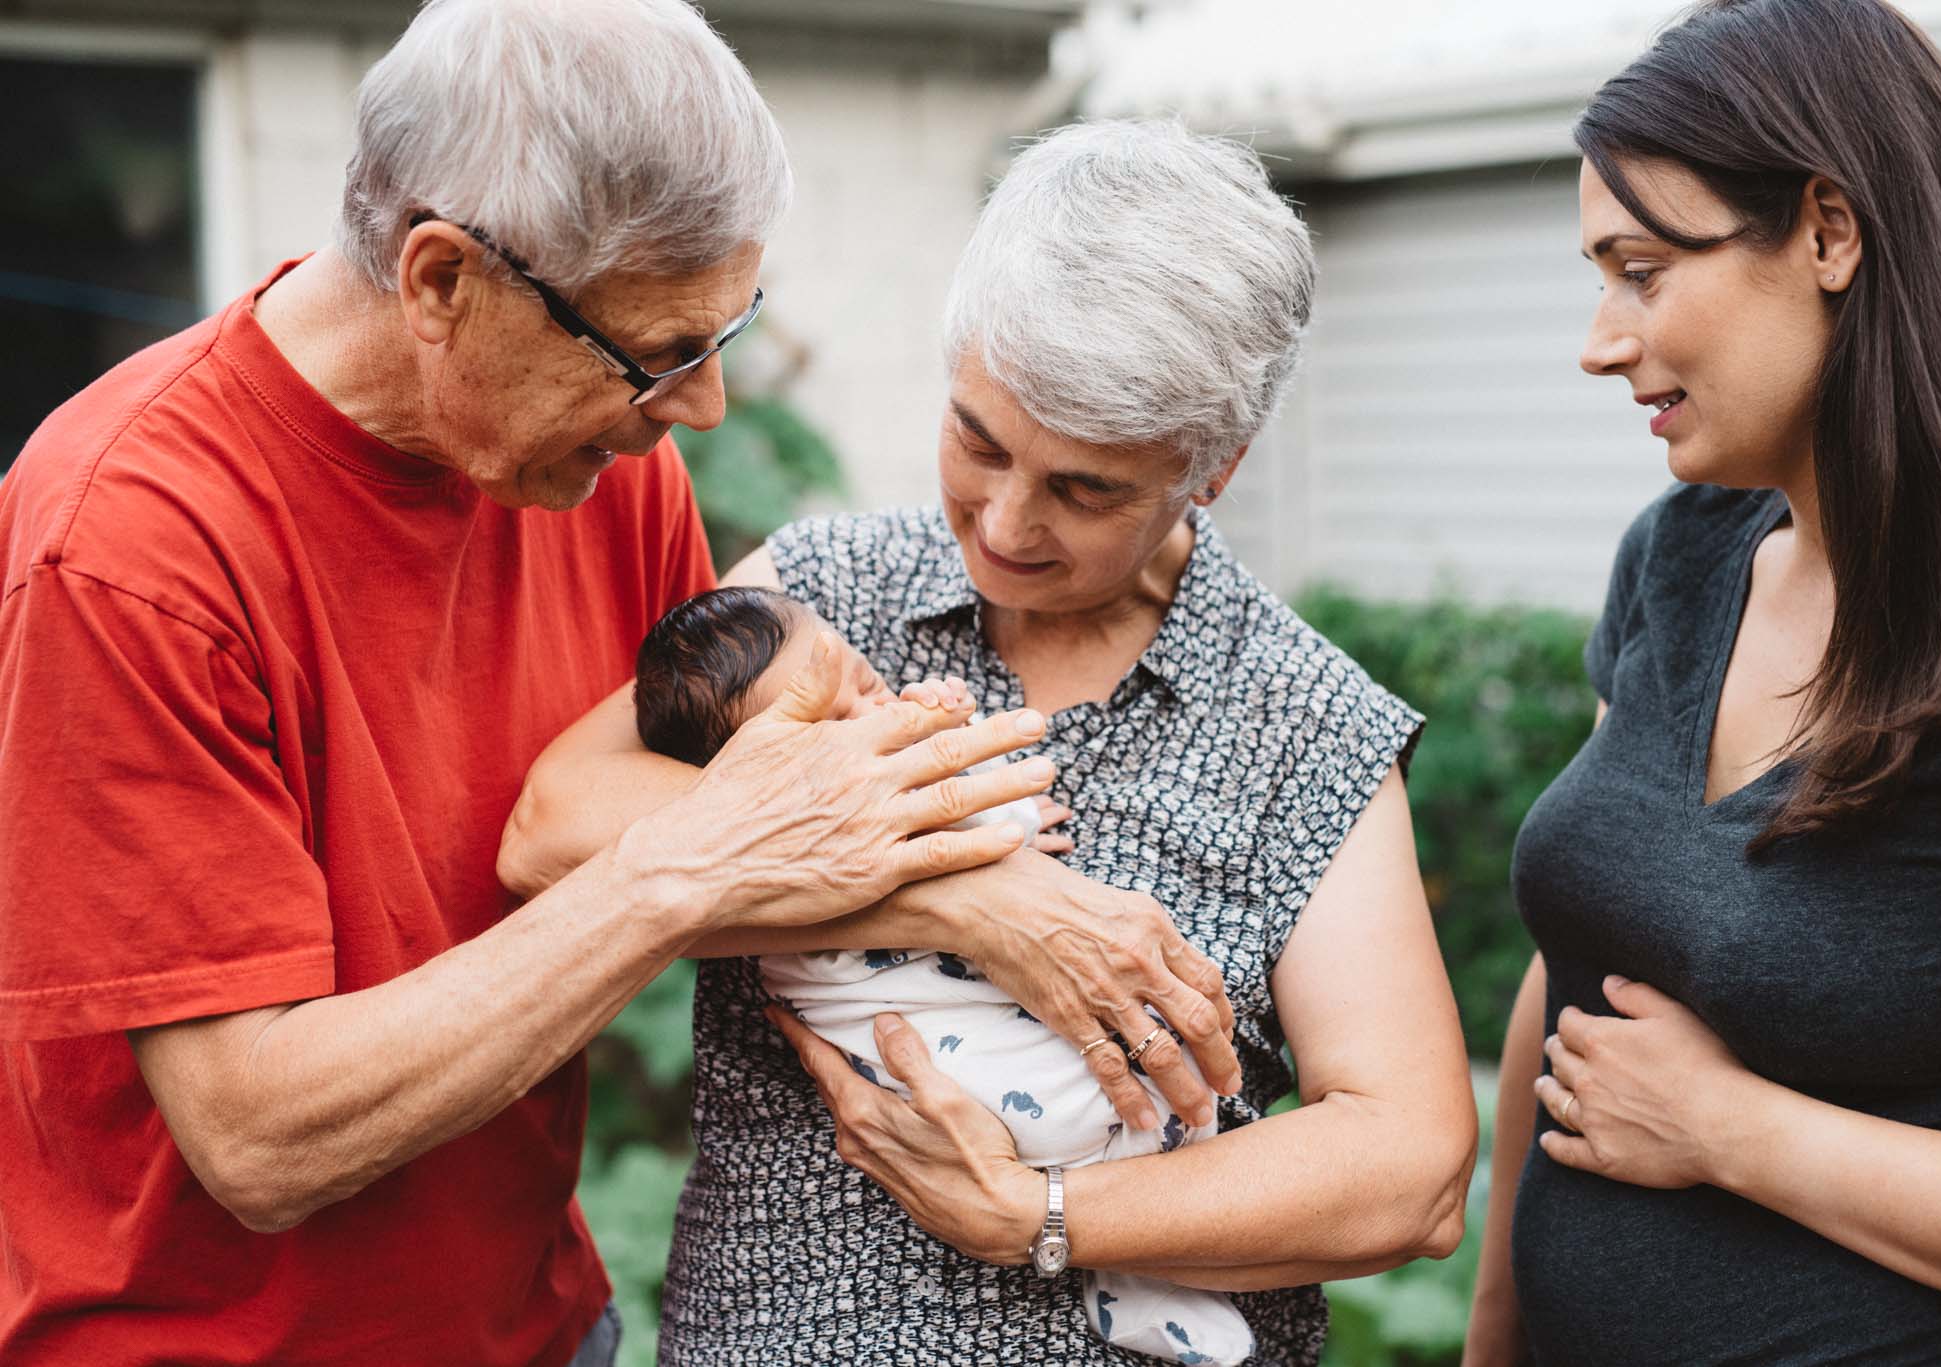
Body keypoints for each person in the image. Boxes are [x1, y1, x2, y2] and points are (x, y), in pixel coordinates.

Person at [0, 1, 1164, 1362]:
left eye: (722, 337)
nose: (703, 410)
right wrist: (680, 873)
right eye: (658, 352)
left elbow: (710, 832)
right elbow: (257, 1132)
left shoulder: (604, 472)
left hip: (542, 1323)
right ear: (442, 283)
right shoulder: (124, 548)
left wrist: (974, 889)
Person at [501, 118, 1478, 1366]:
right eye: (978, 438)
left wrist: (1040, 1217)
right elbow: (555, 828)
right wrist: (971, 893)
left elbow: (1409, 1165)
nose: (1005, 522)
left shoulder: (1301, 719)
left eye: (1085, 489)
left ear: (1209, 471)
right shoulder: (821, 598)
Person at [1462, 2, 1941, 1363]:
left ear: (1831, 232)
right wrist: (1495, 1331)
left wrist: (1739, 1133)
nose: (1602, 340)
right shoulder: (1684, 554)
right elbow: (1575, 973)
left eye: (1643, 267)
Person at [631, 583, 1254, 1364]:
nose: (875, 724)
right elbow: (965, 818)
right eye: (823, 733)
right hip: (961, 1076)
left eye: (867, 686)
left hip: (994, 1095)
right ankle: (1137, 1257)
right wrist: (1004, 807)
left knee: (1132, 1092)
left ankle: (1138, 1258)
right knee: (1092, 1097)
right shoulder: (780, 863)